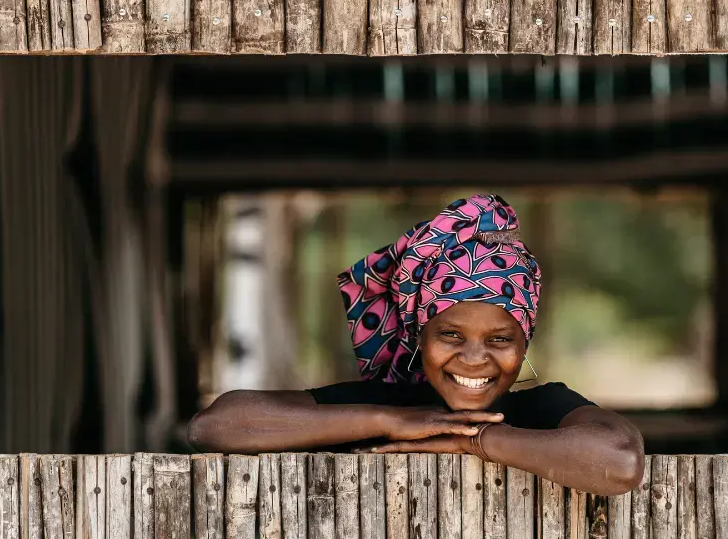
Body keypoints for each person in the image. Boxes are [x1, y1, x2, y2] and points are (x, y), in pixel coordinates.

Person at [188, 194, 645, 496]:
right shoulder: (376, 407)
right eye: (449, 334)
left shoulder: (546, 410)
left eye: (500, 339)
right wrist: (391, 421)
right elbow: (215, 427)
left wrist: (473, 441)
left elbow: (620, 462)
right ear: (416, 334)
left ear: (526, 341)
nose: (473, 358)